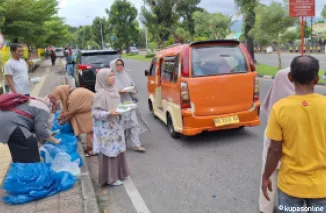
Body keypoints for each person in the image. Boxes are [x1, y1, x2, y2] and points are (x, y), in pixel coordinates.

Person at [262, 56, 326, 213]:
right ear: (316, 79)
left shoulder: (280, 108)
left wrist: (266, 176)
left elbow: (275, 150)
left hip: (290, 185)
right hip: (321, 186)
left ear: (290, 77)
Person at [259, 68, 295, 213]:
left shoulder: (277, 106)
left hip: (273, 142)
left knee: (269, 175)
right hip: (295, 147)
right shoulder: (306, 103)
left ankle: (265, 208)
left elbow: (274, 146)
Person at [92, 68, 129, 186]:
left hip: (116, 126)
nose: (113, 78)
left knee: (117, 149)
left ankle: (120, 174)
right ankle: (111, 179)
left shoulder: (114, 91)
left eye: (113, 76)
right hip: (106, 128)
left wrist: (123, 109)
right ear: (103, 79)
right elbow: (95, 114)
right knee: (110, 151)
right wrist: (108, 113)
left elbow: (116, 107)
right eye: (110, 76)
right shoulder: (100, 94)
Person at [0, 94, 61, 163]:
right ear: (53, 106)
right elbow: (41, 130)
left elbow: (36, 127)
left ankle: (19, 166)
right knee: (30, 143)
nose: (53, 113)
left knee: (17, 145)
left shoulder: (39, 101)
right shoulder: (45, 109)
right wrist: (55, 141)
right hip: (9, 122)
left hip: (5, 119)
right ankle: (31, 167)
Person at [110, 59, 149, 152]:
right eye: (118, 65)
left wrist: (133, 90)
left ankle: (137, 145)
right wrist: (119, 91)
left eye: (121, 64)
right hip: (117, 103)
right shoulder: (111, 77)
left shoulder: (126, 74)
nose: (120, 66)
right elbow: (108, 91)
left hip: (129, 102)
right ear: (113, 66)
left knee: (134, 123)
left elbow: (133, 86)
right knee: (121, 125)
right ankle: (121, 144)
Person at [53, 85, 95, 157]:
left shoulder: (73, 97)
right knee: (90, 130)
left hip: (94, 109)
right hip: (90, 109)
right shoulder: (73, 93)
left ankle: (91, 150)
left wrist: (62, 122)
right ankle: (91, 149)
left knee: (90, 131)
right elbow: (69, 111)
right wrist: (61, 116)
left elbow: (70, 113)